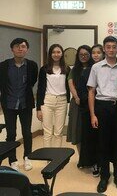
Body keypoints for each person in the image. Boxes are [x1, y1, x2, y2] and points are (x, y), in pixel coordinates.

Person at [87, 36, 117, 193]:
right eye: (108, 47)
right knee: (102, 143)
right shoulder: (96, 67)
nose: (111, 49)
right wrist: (92, 115)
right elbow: (91, 91)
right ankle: (104, 177)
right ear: (104, 49)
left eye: (114, 46)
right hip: (102, 108)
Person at [0, 38, 38, 171]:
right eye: (17, 46)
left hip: (25, 104)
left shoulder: (32, 65)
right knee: (11, 134)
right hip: (9, 104)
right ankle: (13, 160)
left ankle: (28, 157)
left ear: (27, 49)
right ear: (12, 49)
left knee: (27, 132)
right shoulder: (3, 66)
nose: (20, 49)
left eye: (23, 46)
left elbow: (32, 82)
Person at [77, 44, 104, 177]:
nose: (96, 55)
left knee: (102, 138)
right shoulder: (87, 70)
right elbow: (83, 91)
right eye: (94, 53)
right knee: (91, 138)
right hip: (88, 110)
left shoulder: (105, 69)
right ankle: (94, 163)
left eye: (99, 52)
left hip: (104, 109)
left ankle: (103, 162)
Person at [36, 44, 70, 148]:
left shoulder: (67, 69)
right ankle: (48, 159)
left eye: (58, 52)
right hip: (47, 101)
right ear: (50, 54)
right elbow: (40, 89)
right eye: (53, 52)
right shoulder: (44, 69)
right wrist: (38, 108)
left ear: (62, 53)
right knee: (47, 132)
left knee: (58, 132)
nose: (56, 54)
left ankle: (57, 159)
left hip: (62, 101)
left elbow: (70, 86)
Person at [67, 45, 93, 159]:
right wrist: (76, 97)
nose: (83, 57)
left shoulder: (94, 68)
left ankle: (90, 158)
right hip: (77, 103)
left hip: (92, 103)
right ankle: (81, 158)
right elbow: (70, 83)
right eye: (81, 54)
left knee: (90, 132)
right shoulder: (74, 69)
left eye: (86, 54)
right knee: (77, 131)